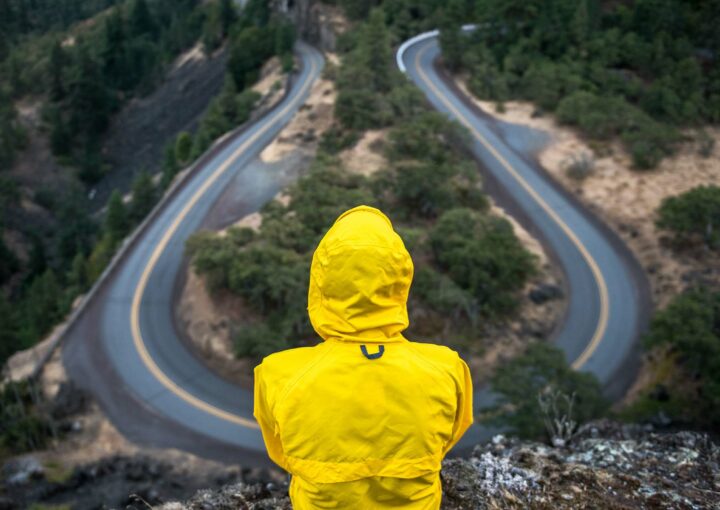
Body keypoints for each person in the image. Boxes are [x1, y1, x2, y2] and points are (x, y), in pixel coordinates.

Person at [254, 205, 473, 509]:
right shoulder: (447, 368)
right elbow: (445, 442)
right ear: (401, 282)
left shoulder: (278, 374)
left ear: (320, 284)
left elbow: (283, 454)